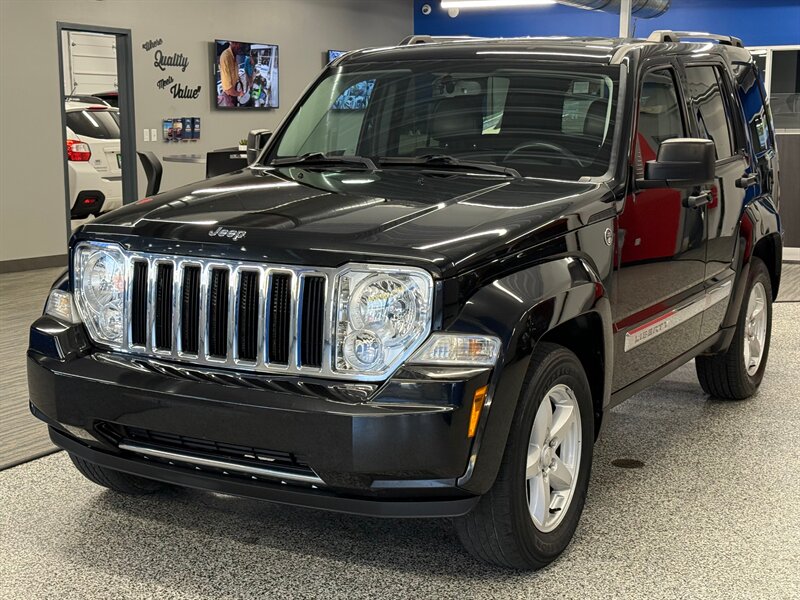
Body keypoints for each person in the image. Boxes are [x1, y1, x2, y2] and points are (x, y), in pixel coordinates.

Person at [219, 41, 244, 106]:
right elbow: (228, 90)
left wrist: (239, 81)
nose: (239, 50)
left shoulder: (234, 55)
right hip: (229, 95)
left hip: (234, 91)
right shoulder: (226, 57)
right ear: (234, 43)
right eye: (239, 47)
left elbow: (235, 73)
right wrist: (239, 94)